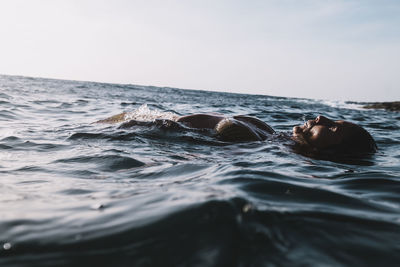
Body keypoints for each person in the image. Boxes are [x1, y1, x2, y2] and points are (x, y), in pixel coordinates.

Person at [99, 112, 377, 155]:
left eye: (332, 128)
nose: (320, 118)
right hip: (133, 123)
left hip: (137, 137)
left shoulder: (264, 148)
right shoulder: (271, 137)